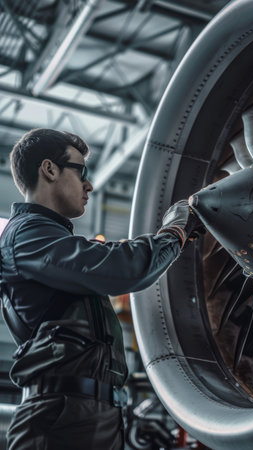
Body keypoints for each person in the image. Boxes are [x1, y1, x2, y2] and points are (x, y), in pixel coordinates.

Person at [0, 128, 204, 450]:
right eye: (82, 172)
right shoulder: (27, 235)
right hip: (61, 420)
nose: (89, 185)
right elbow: (124, 268)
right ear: (49, 169)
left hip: (93, 415)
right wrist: (174, 232)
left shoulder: (49, 241)